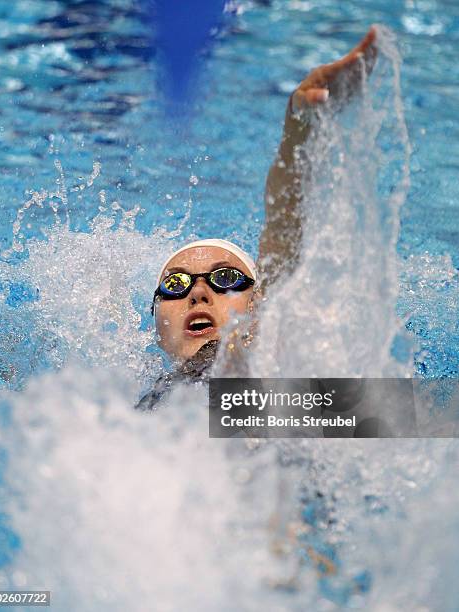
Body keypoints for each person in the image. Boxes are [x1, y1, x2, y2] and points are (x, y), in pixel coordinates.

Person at [137, 27, 377, 409]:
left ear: (261, 302)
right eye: (175, 284)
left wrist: (299, 126)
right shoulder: (120, 413)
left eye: (226, 279)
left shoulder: (286, 397)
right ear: (155, 327)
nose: (197, 293)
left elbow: (283, 231)